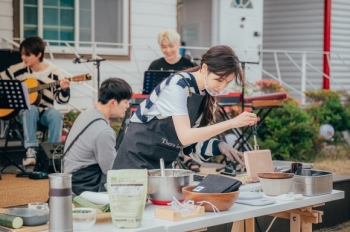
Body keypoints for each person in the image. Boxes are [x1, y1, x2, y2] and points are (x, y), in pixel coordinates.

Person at [113, 45, 257, 171]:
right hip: (134, 158)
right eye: (219, 80)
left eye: (227, 82)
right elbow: (185, 136)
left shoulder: (208, 97)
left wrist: (220, 146)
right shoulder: (178, 85)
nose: (222, 87)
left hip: (162, 164)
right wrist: (232, 123)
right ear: (205, 68)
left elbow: (189, 145)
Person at [0, 36, 70, 166]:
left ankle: (53, 153)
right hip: (24, 113)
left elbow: (61, 100)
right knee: (30, 109)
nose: (23, 58)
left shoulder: (54, 72)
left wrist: (65, 90)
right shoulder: (17, 69)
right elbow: (1, 81)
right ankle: (30, 151)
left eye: (27, 54)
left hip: (45, 111)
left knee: (56, 114)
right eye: (22, 54)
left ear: (39, 54)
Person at [62, 78, 132, 195]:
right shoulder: (104, 131)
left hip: (70, 177)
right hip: (85, 184)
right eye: (125, 102)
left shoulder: (88, 113)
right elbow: (112, 170)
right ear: (113, 103)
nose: (128, 106)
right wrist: (128, 139)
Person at [148, 29, 199, 172]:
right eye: (164, 47)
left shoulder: (188, 64)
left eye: (170, 46)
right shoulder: (155, 66)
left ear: (178, 45)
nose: (168, 50)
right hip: (162, 108)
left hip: (185, 105)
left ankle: (188, 156)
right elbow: (150, 93)